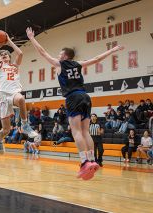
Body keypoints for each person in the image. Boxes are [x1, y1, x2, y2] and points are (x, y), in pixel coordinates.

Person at [26, 27, 124, 180]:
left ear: (64, 55)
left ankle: (84, 161)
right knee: (85, 132)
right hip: (85, 96)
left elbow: (42, 52)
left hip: (73, 97)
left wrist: (32, 38)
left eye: (60, 53)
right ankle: (92, 160)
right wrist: (113, 50)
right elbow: (97, 59)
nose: (58, 55)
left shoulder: (60, 64)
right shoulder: (78, 64)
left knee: (76, 131)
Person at [0, 32, 37, 154]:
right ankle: (0, 140)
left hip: (14, 93)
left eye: (6, 54)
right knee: (6, 129)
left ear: (9, 57)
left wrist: (9, 41)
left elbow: (20, 53)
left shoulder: (15, 66)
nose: (4, 55)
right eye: (2, 55)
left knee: (21, 99)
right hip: (3, 96)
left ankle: (25, 125)